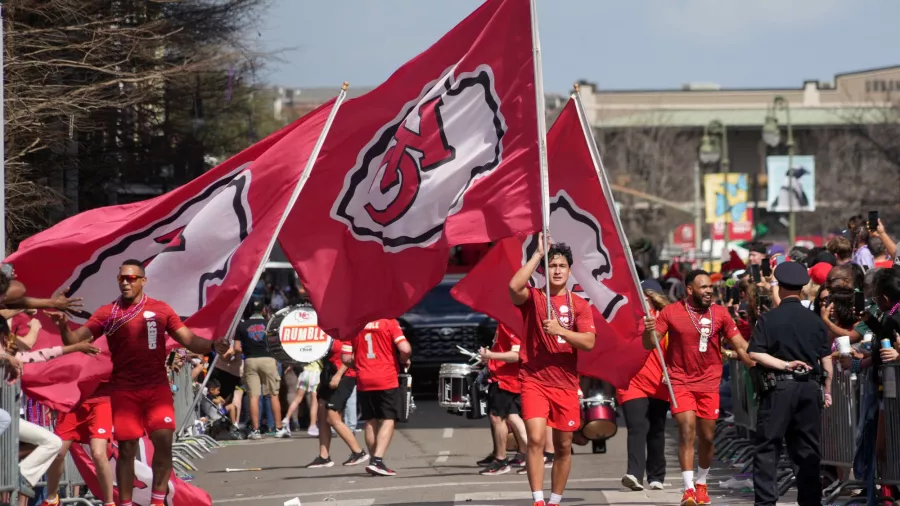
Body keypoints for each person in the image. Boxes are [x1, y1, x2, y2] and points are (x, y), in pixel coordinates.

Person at [50, 259, 228, 506]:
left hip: (157, 389)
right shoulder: (107, 313)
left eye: (131, 278)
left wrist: (211, 345)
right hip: (125, 391)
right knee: (126, 450)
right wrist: (62, 327)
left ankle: (157, 502)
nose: (125, 282)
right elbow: (74, 339)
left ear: (143, 281)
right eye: (121, 278)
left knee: (164, 444)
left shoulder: (161, 310)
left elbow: (188, 339)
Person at [642, 269, 751, 506]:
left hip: (709, 382)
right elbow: (650, 344)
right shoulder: (671, 312)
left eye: (710, 287)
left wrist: (756, 361)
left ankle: (702, 483)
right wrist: (648, 330)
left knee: (708, 437)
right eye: (704, 287)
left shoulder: (720, 313)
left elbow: (740, 345)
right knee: (686, 427)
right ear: (690, 290)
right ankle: (688, 488)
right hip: (680, 381)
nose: (709, 291)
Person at [509, 234, 596, 506]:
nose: (557, 270)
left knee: (563, 446)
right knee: (535, 438)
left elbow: (589, 342)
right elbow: (513, 286)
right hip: (534, 379)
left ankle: (555, 500)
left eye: (562, 266)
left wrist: (560, 331)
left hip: (566, 383)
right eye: (552, 266)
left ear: (570, 271)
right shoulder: (534, 298)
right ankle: (537, 500)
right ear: (545, 270)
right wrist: (537, 254)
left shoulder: (579, 305)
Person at [748, 261, 834, 506]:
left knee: (767, 447)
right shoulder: (816, 321)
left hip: (779, 388)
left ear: (781, 287)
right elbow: (826, 360)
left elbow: (756, 354)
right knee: (807, 450)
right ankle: (810, 502)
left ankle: (766, 502)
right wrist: (826, 391)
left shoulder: (769, 319)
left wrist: (785, 365)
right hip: (809, 389)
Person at [618, 281, 671, 492]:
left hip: (660, 381)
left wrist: (673, 371)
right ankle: (634, 474)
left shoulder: (669, 318)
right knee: (637, 426)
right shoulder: (626, 317)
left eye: (646, 297)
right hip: (632, 381)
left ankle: (657, 475)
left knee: (656, 430)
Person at [349, 318, 411, 477]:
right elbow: (404, 348)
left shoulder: (354, 322)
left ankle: (374, 461)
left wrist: (360, 364)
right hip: (386, 377)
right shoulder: (389, 322)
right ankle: (377, 460)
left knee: (370, 419)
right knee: (389, 418)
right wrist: (404, 360)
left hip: (364, 378)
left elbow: (345, 358)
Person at [306, 338, 367, 468]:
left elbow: (353, 355)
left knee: (332, 417)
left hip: (345, 375)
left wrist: (339, 374)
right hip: (328, 373)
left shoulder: (347, 332)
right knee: (321, 415)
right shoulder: (326, 331)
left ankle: (358, 452)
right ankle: (324, 457)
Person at [476, 323, 528, 476]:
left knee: (497, 417)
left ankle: (501, 460)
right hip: (503, 377)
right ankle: (532, 455)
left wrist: (491, 356)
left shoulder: (509, 324)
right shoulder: (503, 323)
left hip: (507, 379)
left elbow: (517, 355)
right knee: (512, 417)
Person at [234, 299, 289, 439]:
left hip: (250, 360)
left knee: (253, 396)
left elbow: (236, 348)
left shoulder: (242, 326)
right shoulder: (269, 325)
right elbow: (277, 343)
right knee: (273, 395)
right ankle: (278, 428)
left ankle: (255, 430)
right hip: (268, 360)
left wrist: (247, 349)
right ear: (264, 310)